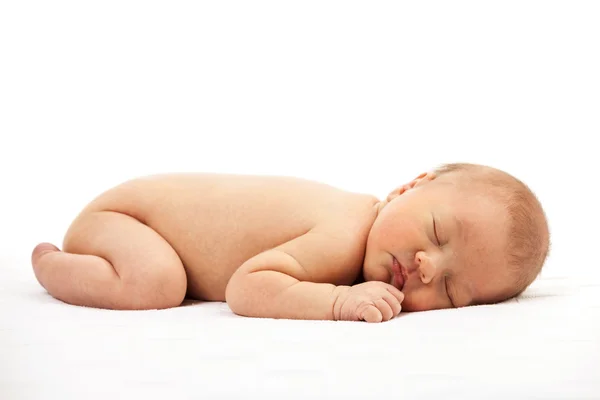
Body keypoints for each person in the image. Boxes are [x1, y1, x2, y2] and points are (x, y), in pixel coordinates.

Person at [30, 162, 550, 323]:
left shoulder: (360, 239)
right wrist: (336, 301)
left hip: (138, 222)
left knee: (164, 279)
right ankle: (54, 265)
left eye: (453, 291)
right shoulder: (345, 232)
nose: (428, 269)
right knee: (157, 283)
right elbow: (247, 286)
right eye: (437, 234)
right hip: (124, 222)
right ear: (407, 188)